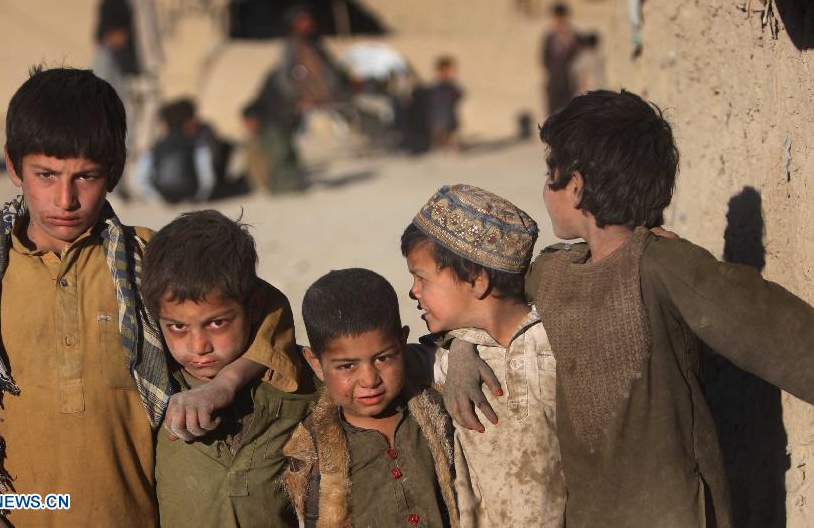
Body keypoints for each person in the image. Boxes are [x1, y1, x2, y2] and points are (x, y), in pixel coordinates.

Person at [0, 67, 299, 527]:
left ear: (114, 172)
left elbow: (266, 311)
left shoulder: (149, 259)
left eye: (86, 176)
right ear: (13, 167)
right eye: (46, 175)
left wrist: (225, 383)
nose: (65, 198)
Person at [446, 90, 814, 526]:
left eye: (551, 174)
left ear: (577, 187)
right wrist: (462, 347)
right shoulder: (553, 273)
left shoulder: (663, 264)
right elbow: (490, 305)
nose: (545, 187)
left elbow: (784, 338)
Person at [400, 184, 565, 527]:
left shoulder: (559, 347)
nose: (413, 291)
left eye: (422, 278)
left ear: (477, 281)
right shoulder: (451, 360)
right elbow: (381, 363)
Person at [142, 210, 317, 527]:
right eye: (178, 327)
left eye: (217, 323)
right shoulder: (149, 393)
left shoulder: (301, 393)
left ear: (252, 308)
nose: (199, 346)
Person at [282, 268, 459, 527]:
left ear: (402, 343)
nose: (369, 380)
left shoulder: (441, 411)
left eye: (383, 358)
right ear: (316, 364)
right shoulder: (311, 451)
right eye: (347, 366)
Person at [95, 0, 164, 196]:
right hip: (125, 73)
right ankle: (123, 183)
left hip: (143, 69)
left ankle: (138, 179)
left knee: (147, 123)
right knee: (127, 127)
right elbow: (109, 38)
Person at [137, 98, 237, 203]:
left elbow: (139, 181)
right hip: (193, 192)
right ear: (186, 121)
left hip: (164, 194)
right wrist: (200, 198)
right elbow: (207, 179)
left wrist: (157, 200)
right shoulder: (197, 142)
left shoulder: (157, 146)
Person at [541, 1, 579, 117]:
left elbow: (578, 57)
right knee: (551, 113)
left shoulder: (573, 36)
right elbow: (544, 59)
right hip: (553, 80)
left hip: (569, 80)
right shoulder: (549, 37)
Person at [427, 56, 465, 152]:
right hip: (439, 122)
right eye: (448, 70)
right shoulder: (436, 88)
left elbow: (459, 96)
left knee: (452, 145)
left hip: (450, 120)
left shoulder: (452, 87)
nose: (451, 73)